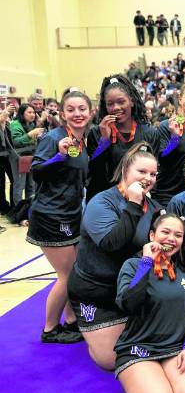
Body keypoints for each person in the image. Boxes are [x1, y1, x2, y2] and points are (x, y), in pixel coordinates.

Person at [67, 143, 161, 370]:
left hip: (130, 289)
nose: (148, 178)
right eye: (142, 172)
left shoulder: (154, 206)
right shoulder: (102, 201)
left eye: (153, 174)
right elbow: (112, 244)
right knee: (111, 360)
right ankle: (85, 325)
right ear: (125, 171)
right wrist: (133, 204)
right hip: (96, 291)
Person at [115, 213, 185, 393]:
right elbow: (128, 304)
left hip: (174, 349)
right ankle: (142, 389)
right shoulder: (132, 265)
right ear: (152, 235)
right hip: (139, 348)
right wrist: (146, 262)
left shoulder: (183, 271)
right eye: (165, 232)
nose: (171, 239)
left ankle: (160, 383)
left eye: (178, 235)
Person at [27, 90, 93, 343]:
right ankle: (50, 329)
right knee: (68, 275)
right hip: (52, 215)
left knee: (73, 272)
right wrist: (58, 156)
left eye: (82, 109)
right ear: (63, 113)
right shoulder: (54, 138)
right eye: (71, 109)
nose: (77, 114)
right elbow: (36, 171)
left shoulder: (82, 139)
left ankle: (72, 320)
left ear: (90, 111)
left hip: (72, 212)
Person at [87, 74, 160, 201]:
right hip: (105, 201)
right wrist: (104, 141)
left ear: (131, 101)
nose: (116, 108)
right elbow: (95, 171)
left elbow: (153, 172)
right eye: (110, 104)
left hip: (138, 199)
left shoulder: (149, 133)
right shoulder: (96, 133)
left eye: (121, 102)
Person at [153, 83, 185, 207]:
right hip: (167, 193)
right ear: (180, 99)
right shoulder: (166, 126)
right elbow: (162, 158)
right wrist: (174, 139)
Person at [9, 103, 43, 204]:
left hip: (30, 156)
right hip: (19, 158)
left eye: (33, 112)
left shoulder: (32, 124)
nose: (32, 114)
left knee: (31, 185)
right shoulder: (15, 124)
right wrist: (30, 134)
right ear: (22, 113)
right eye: (29, 112)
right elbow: (16, 142)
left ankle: (29, 208)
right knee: (19, 185)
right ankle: (18, 211)